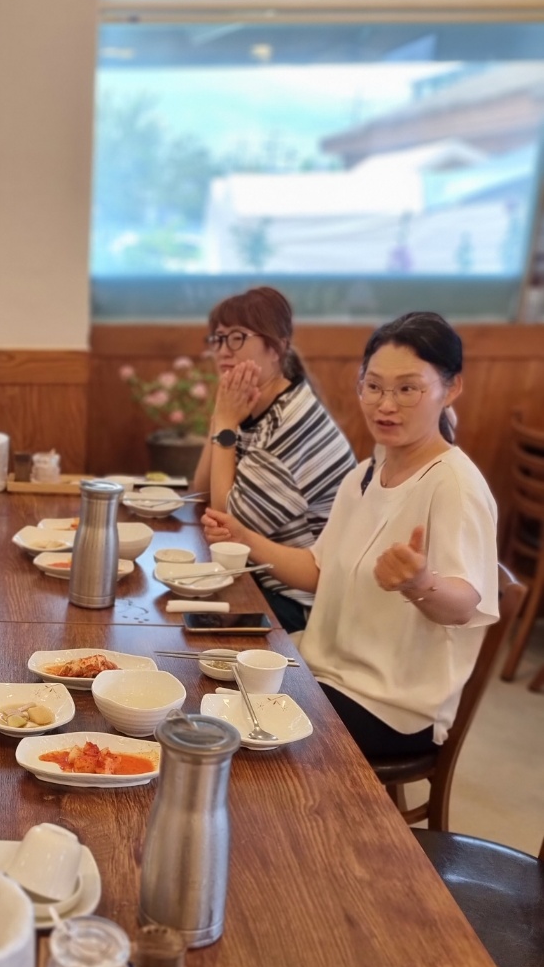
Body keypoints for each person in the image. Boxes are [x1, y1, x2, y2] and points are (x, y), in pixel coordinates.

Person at [203, 312, 498, 761]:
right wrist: (245, 538)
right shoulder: (365, 474)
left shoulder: (454, 484)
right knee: (210, 690)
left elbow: (465, 605)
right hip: (325, 673)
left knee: (235, 738)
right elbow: (317, 570)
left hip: (390, 707)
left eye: (407, 389)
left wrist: (419, 584)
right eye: (373, 386)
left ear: (451, 388)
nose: (385, 405)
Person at [192, 286, 356, 632]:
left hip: (301, 603)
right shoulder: (254, 405)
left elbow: (226, 524)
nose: (223, 350)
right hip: (258, 579)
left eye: (237, 337)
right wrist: (221, 415)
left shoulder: (291, 422)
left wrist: (226, 423)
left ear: (277, 347)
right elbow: (199, 492)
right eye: (218, 338)